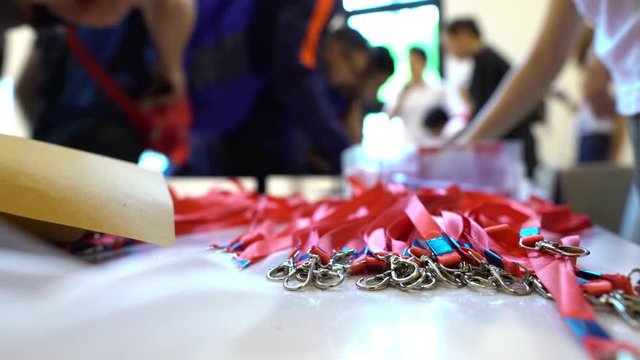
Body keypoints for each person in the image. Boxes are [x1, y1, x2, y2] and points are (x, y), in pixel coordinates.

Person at [443, 18, 545, 177]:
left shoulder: (486, 62)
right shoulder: (485, 61)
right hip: (511, 148)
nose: (448, 51)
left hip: (513, 150)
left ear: (463, 35)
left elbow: (486, 114)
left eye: (448, 43)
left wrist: (461, 142)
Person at [389, 47, 445, 144]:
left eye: (415, 62)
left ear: (424, 63)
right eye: (410, 62)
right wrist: (402, 96)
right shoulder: (403, 91)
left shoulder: (436, 90)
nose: (412, 66)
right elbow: (391, 116)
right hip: (408, 142)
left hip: (430, 142)